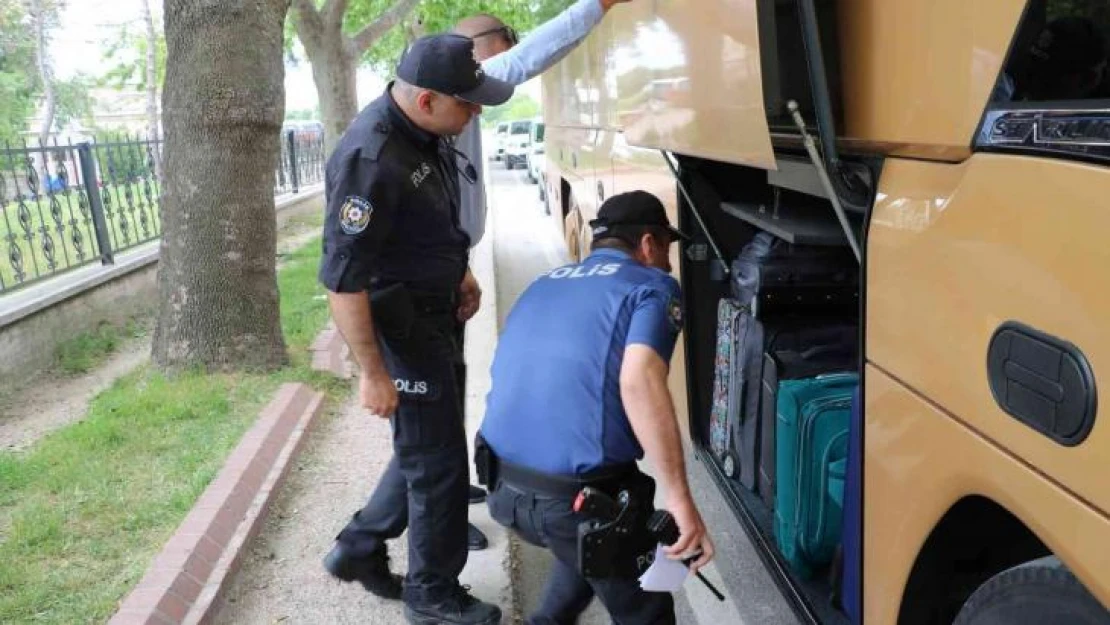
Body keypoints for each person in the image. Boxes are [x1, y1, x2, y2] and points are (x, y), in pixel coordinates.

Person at [316, 33, 513, 625]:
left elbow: (428, 226)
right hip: (403, 328)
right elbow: (343, 280)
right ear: (427, 99)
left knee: (426, 447)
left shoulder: (423, 132)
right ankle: (432, 595)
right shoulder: (370, 159)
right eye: (467, 102)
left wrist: (463, 273)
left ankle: (356, 549)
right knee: (437, 464)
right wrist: (373, 374)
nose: (475, 111)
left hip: (437, 314)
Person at [477, 191, 716, 624]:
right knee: (647, 610)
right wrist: (680, 500)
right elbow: (639, 380)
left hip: (503, 488)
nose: (667, 263)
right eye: (666, 249)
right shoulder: (651, 286)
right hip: (572, 500)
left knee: (587, 545)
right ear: (648, 244)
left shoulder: (542, 283)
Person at [449, 0, 635, 552]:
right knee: (427, 422)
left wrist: (460, 265)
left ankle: (448, 493)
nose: (490, 104)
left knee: (441, 403)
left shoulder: (445, 92)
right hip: (425, 282)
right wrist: (595, 6)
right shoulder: (464, 79)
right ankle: (381, 537)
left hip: (444, 269)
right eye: (502, 59)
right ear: (485, 52)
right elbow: (534, 55)